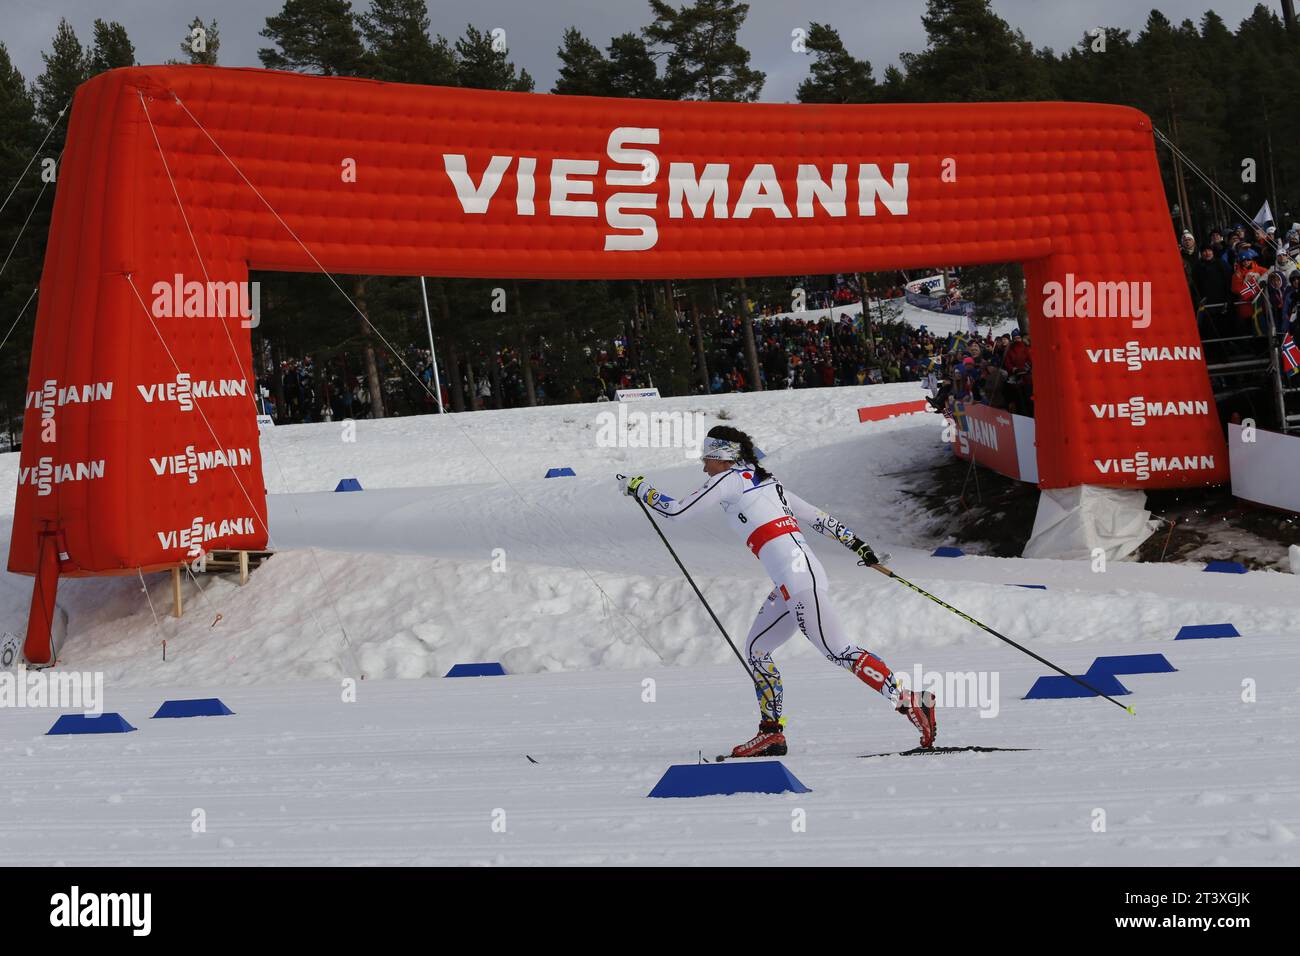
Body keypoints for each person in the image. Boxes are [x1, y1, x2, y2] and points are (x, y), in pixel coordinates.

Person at [618, 425, 936, 757]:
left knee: (838, 650)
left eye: (707, 460)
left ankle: (912, 702)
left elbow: (677, 511)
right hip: (792, 581)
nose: (704, 467)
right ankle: (771, 733)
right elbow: (820, 518)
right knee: (757, 649)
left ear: (723, 457)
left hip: (800, 581)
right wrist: (859, 547)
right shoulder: (766, 481)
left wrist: (641, 489)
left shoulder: (728, 480)